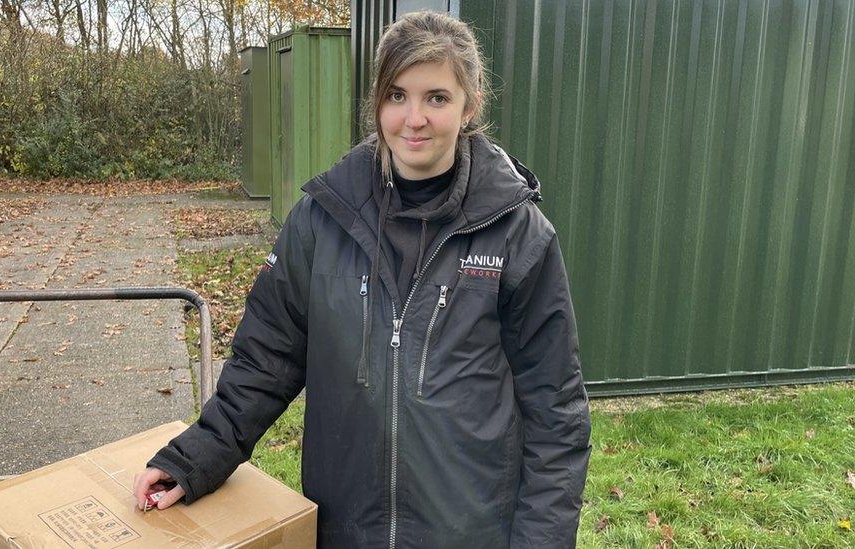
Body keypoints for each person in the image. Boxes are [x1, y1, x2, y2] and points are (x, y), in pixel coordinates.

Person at [133, 10, 591, 548]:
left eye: (436, 98)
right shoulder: (322, 219)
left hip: (471, 532)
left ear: (470, 105)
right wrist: (193, 460)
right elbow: (265, 360)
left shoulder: (517, 234)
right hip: (346, 530)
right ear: (377, 102)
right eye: (397, 95)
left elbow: (555, 411)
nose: (413, 118)